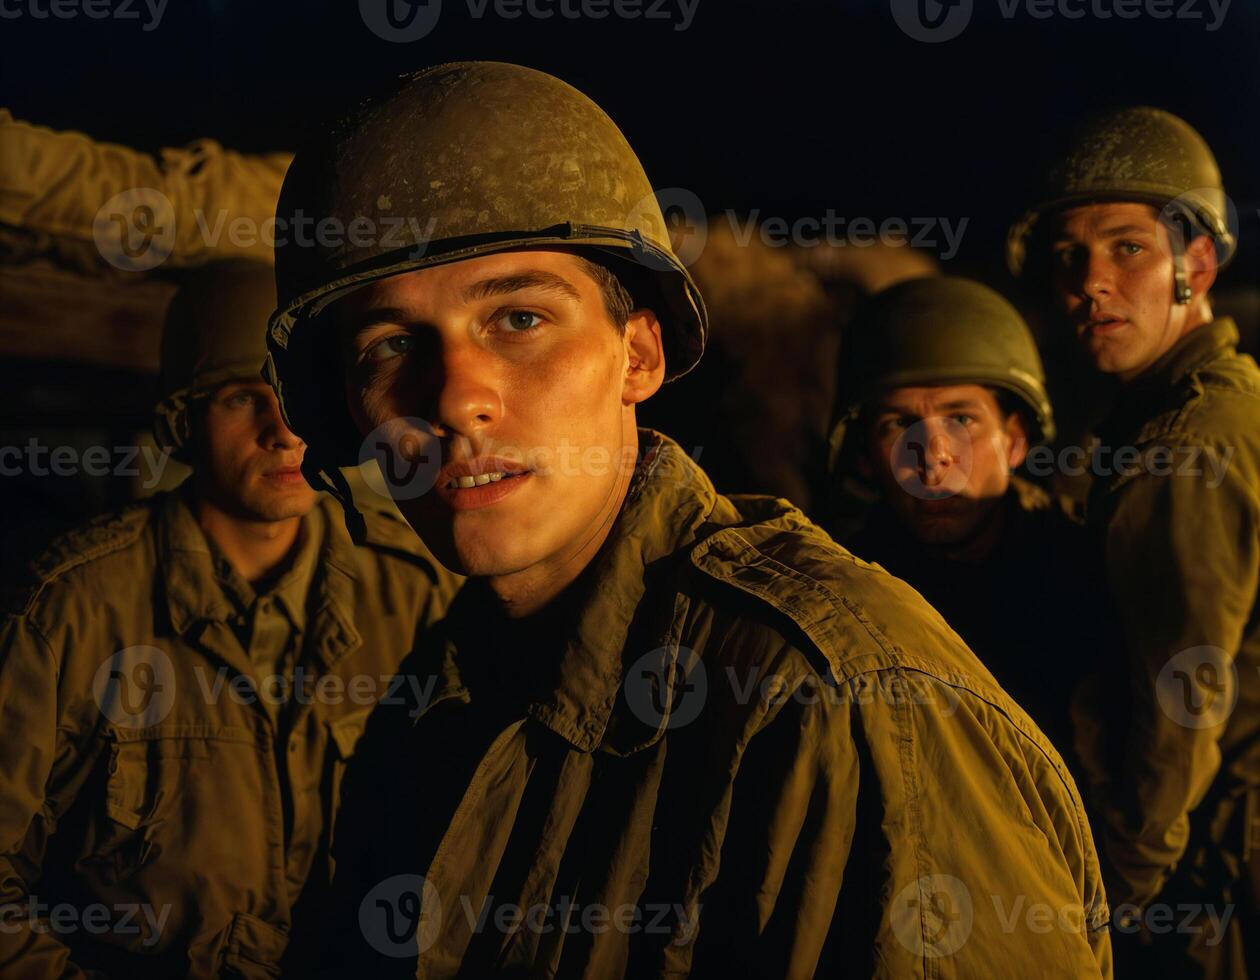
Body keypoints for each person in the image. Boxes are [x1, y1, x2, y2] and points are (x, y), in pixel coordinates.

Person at [266, 61, 1112, 977]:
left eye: (519, 318)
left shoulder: (831, 702)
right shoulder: (438, 695)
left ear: (638, 355)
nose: (458, 396)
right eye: (389, 345)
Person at [0, 261, 459, 978]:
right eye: (245, 398)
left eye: (297, 399)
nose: (283, 432)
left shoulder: (411, 591)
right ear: (184, 423)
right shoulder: (74, 609)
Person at [1009, 105, 1259, 979]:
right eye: (1069, 258)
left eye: (1127, 249)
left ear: (1197, 265)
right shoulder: (1168, 413)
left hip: (1200, 885)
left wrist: (1114, 899)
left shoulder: (1189, 443)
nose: (1091, 284)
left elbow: (1183, 698)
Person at [828, 275, 1103, 760]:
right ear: (865, 457)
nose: (933, 457)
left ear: (1015, 440)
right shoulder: (841, 595)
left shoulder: (1092, 567)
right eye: (897, 424)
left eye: (962, 419)